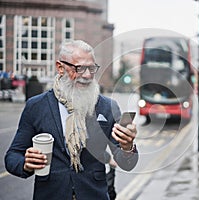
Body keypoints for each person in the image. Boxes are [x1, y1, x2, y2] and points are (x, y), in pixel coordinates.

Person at [5, 40, 138, 200]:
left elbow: (127, 163)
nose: (88, 75)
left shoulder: (107, 106)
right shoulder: (36, 106)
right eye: (79, 68)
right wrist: (25, 164)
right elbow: (12, 156)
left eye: (91, 68)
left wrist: (128, 146)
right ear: (60, 67)